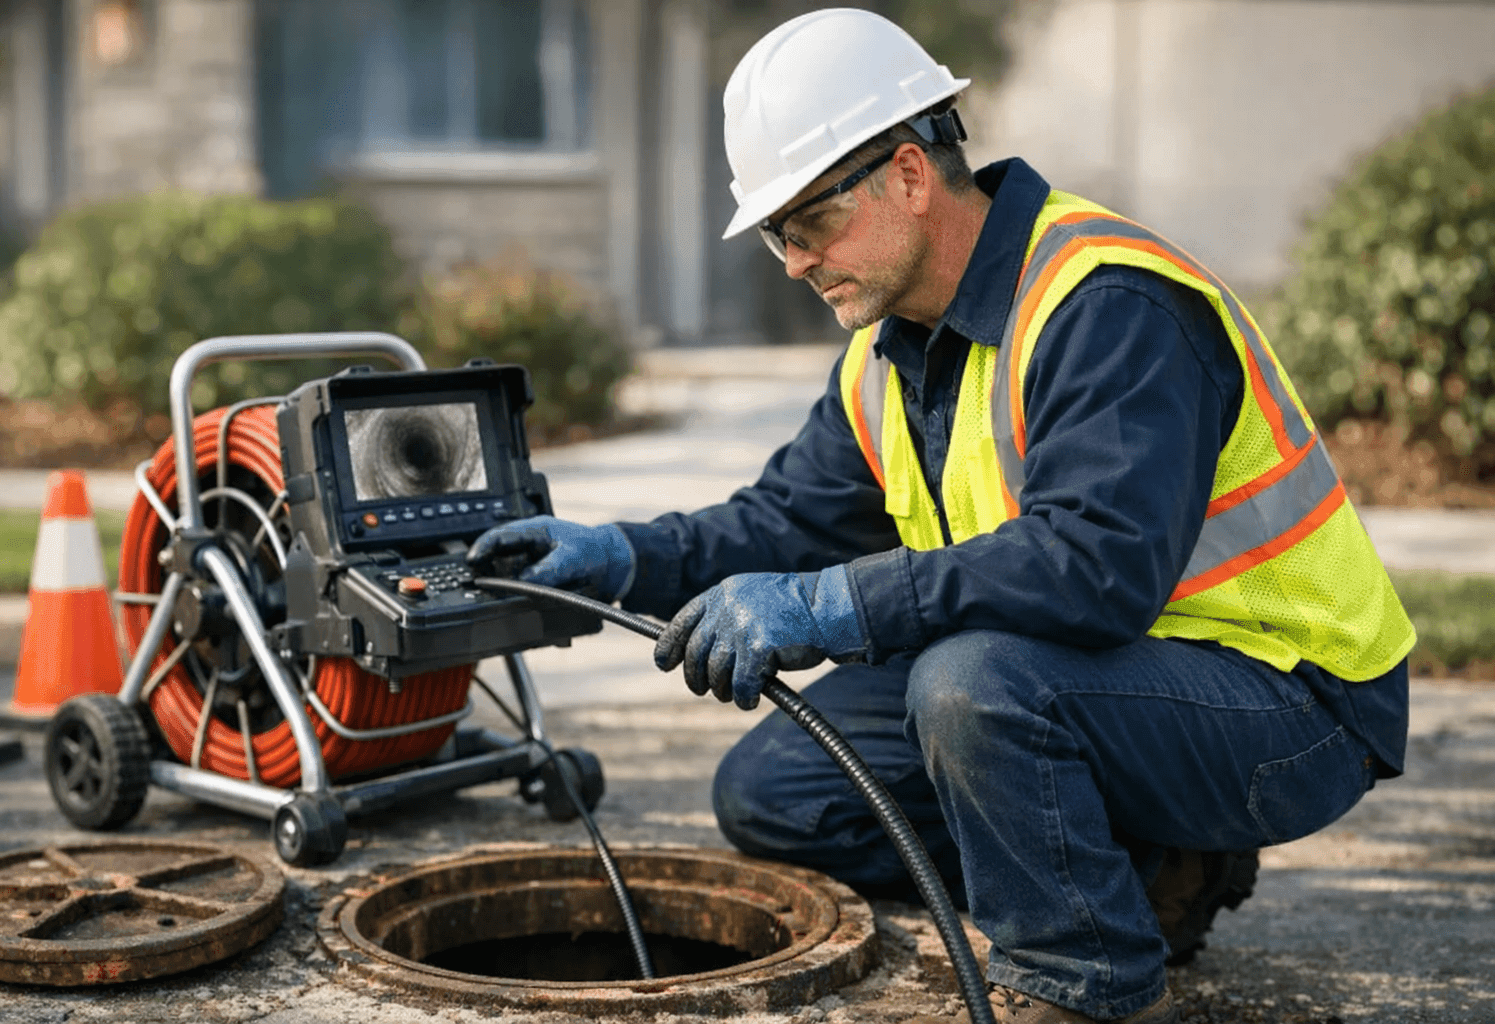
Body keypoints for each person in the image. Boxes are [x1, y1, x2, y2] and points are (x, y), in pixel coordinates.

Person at [469, 9, 1415, 1023]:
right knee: (781, 792)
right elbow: (785, 520)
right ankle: (1146, 870)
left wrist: (835, 607)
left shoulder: (1108, 305)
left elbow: (1095, 568)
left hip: (1289, 706)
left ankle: (1086, 981)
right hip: (1103, 675)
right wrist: (621, 556)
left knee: (969, 684)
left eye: (806, 224)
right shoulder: (887, 352)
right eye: (778, 234)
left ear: (909, 175)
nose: (791, 260)